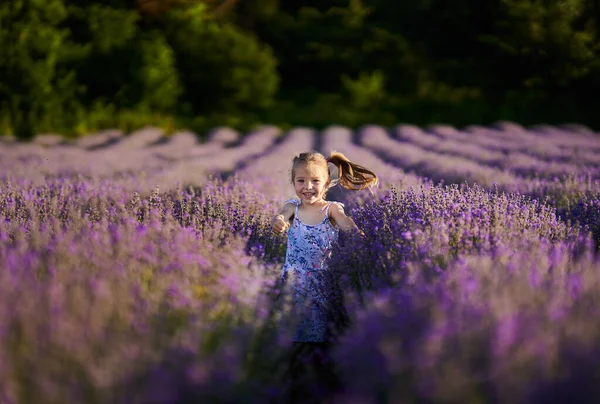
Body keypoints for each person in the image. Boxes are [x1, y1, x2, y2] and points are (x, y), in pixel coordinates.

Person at [271, 150, 378, 402]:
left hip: (321, 286)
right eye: (301, 181)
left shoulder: (331, 209)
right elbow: (281, 215)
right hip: (294, 284)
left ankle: (325, 388)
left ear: (327, 183)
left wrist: (356, 233)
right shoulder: (292, 207)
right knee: (293, 339)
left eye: (315, 181)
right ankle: (295, 388)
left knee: (321, 339)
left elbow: (345, 221)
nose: (307, 187)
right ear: (293, 182)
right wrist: (277, 221)